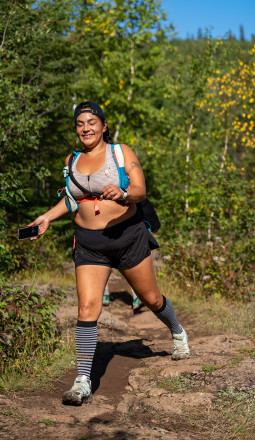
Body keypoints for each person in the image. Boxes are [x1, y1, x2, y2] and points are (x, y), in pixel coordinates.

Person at [28, 100, 190, 406]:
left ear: (103, 126)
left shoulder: (121, 152)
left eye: (92, 122)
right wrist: (48, 216)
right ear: (76, 129)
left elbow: (141, 190)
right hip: (89, 243)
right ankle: (82, 381)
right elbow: (74, 199)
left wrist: (124, 193)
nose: (86, 128)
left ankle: (177, 331)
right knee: (88, 308)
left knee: (151, 299)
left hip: (128, 238)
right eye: (80, 123)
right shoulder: (72, 159)